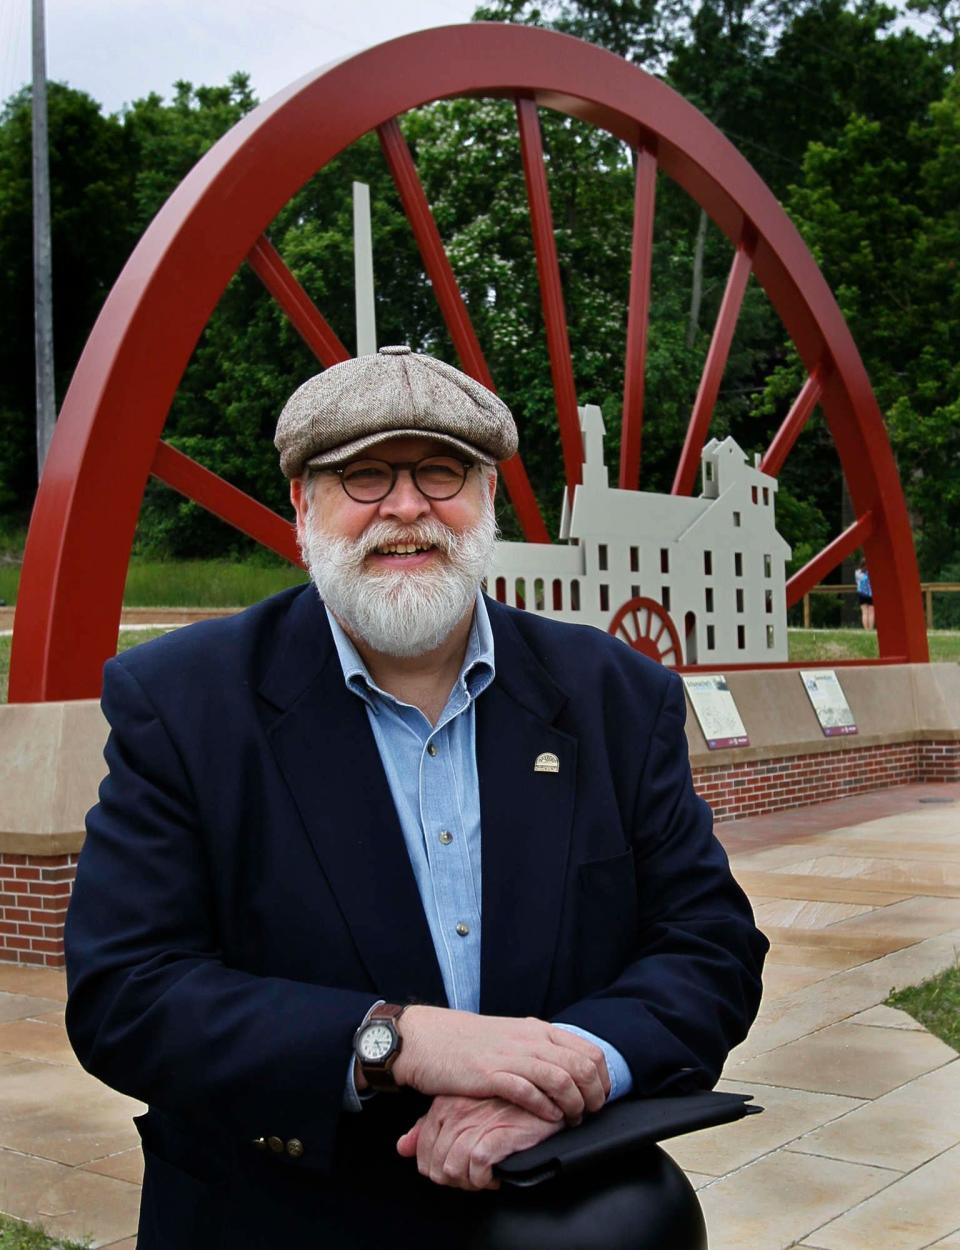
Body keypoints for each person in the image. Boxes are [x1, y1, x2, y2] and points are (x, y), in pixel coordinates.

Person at [65, 346, 767, 1249]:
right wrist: (393, 1040)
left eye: (440, 471)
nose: (405, 508)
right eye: (362, 475)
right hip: (284, 1216)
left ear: (482, 497)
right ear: (302, 503)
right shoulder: (184, 704)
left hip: (551, 1201)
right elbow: (129, 992)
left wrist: (571, 1073)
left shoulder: (614, 698)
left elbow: (708, 945)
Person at [855, 559, 875, 630]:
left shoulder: (857, 572)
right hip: (871, 593)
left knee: (864, 612)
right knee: (871, 612)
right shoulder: (872, 572)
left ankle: (866, 629)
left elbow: (857, 582)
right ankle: (871, 629)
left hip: (861, 594)